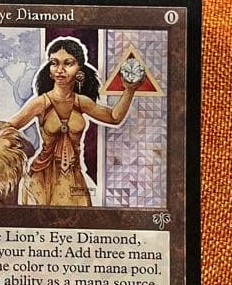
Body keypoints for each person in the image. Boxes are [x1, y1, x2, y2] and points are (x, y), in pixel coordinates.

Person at [8, 37, 141, 206]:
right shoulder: (40, 103)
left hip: (74, 176)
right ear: (49, 70)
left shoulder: (82, 102)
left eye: (68, 63)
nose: (60, 70)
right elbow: (8, 128)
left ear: (79, 69)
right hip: (41, 178)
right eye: (54, 63)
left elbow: (114, 118)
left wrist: (129, 89)